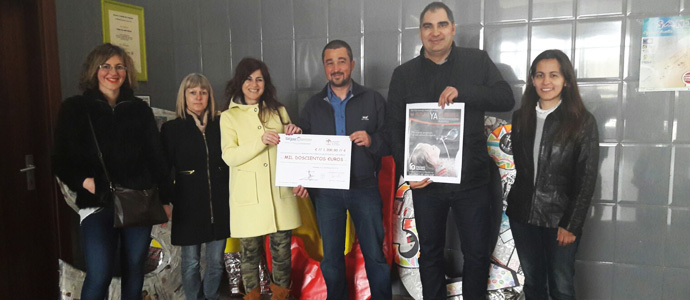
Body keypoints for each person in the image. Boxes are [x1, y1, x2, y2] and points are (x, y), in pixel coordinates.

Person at [385, 2, 514, 299]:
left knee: (477, 254)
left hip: (472, 180)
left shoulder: (477, 61)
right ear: (420, 32)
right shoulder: (404, 74)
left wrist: (463, 92)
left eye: (442, 25)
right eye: (428, 26)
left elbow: (505, 98)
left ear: (453, 29)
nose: (435, 32)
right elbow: (393, 126)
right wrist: (407, 172)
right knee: (429, 254)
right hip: (427, 183)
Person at [52, 43, 171, 300]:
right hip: (97, 202)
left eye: (119, 66)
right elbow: (60, 159)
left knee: (134, 270)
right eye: (105, 66)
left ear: (127, 72)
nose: (112, 72)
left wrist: (166, 198)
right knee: (100, 272)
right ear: (94, 70)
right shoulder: (75, 108)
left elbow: (156, 157)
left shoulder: (139, 109)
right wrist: (85, 182)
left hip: (137, 200)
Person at [300, 40, 391, 300]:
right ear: (324, 68)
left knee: (375, 254)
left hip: (364, 187)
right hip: (326, 193)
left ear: (352, 64)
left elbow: (390, 141)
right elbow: (304, 149)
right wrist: (302, 181)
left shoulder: (373, 99)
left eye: (341, 61)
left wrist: (372, 140)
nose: (336, 68)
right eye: (330, 62)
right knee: (331, 259)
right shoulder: (312, 105)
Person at [506, 49, 599, 300]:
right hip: (522, 216)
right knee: (533, 283)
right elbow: (522, 168)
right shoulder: (521, 117)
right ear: (532, 79)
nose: (546, 82)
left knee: (561, 286)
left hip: (560, 220)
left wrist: (571, 224)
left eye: (554, 75)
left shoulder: (581, 121)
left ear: (566, 80)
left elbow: (586, 178)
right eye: (540, 75)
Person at [220, 57, 304, 300]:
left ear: (265, 83)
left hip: (280, 197)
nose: (254, 84)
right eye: (248, 78)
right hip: (248, 200)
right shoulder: (229, 117)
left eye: (259, 79)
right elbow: (229, 156)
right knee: (249, 257)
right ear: (240, 82)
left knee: (282, 257)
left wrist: (294, 133)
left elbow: (292, 150)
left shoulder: (279, 111)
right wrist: (260, 142)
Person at [160, 73, 230, 300]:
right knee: (190, 263)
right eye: (193, 92)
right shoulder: (172, 129)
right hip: (187, 204)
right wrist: (164, 200)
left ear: (209, 96)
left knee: (216, 262)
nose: (198, 97)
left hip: (219, 204)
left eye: (203, 92)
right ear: (184, 96)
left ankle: (210, 297)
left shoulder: (222, 125)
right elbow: (163, 169)